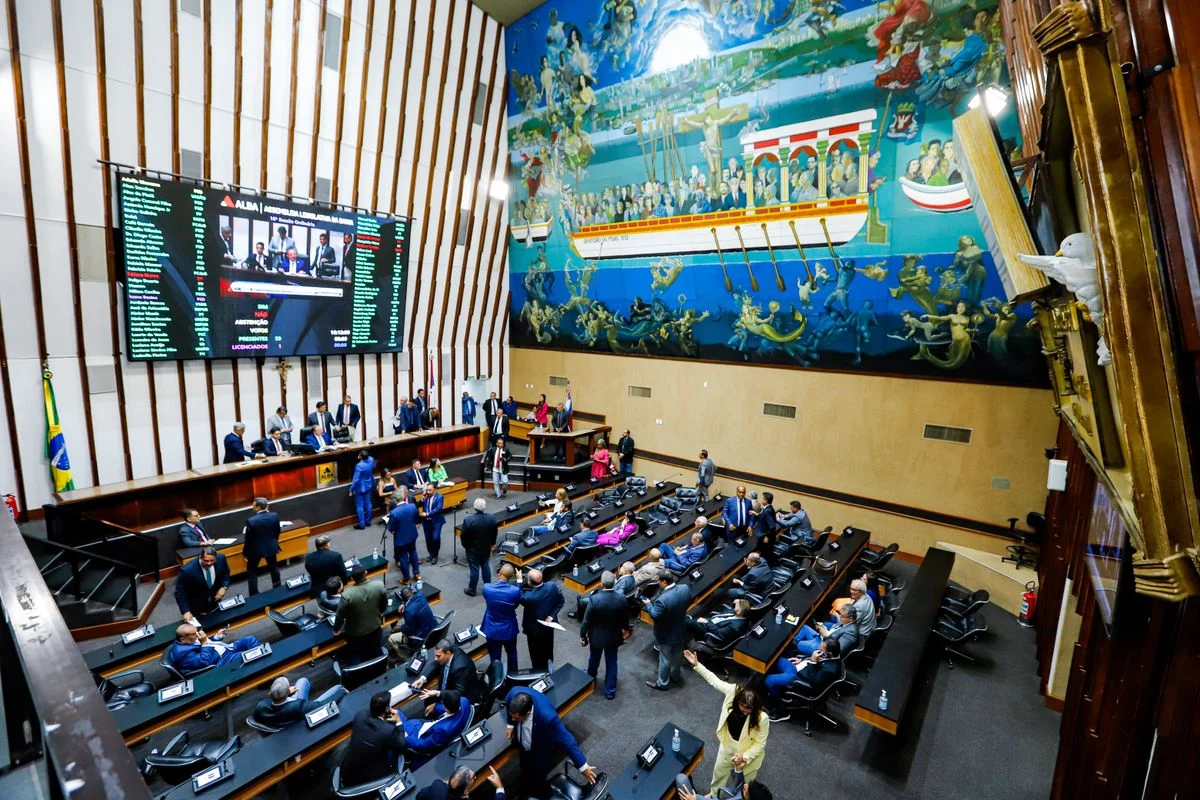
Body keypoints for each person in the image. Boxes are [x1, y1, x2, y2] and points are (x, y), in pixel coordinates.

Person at [682, 649, 770, 787]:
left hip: (747, 751)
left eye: (750, 710)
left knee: (746, 784)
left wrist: (745, 757)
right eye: (744, 708)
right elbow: (714, 681)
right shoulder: (733, 691)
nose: (746, 713)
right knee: (718, 775)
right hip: (728, 744)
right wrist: (697, 664)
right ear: (738, 701)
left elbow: (760, 743)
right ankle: (714, 795)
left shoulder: (762, 718)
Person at [505, 687, 597, 794]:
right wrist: (510, 724)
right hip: (524, 743)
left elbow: (567, 740)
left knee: (538, 773)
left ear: (528, 713)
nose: (513, 719)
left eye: (516, 718)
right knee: (525, 765)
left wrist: (583, 767)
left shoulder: (548, 718)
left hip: (540, 745)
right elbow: (509, 708)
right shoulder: (513, 694)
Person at [580, 571, 633, 699]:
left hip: (596, 636)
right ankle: (610, 691)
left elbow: (586, 621)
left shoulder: (595, 599)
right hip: (614, 636)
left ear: (602, 584)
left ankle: (590, 679)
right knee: (612, 662)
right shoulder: (621, 598)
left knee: (594, 658)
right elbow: (625, 618)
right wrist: (626, 630)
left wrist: (583, 635)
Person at [763, 638, 842, 721]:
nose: (819, 650)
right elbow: (818, 658)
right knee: (778, 660)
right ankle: (782, 693)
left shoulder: (829, 670)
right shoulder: (832, 656)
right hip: (801, 670)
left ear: (829, 653)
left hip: (801, 680)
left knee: (769, 681)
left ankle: (781, 712)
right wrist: (802, 660)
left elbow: (813, 680)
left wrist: (813, 661)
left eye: (821, 649)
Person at [340, 691, 406, 784]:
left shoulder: (360, 715)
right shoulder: (388, 730)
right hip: (371, 778)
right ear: (387, 708)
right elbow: (401, 745)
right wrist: (398, 721)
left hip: (347, 770)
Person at [645, 571, 691, 691]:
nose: (658, 583)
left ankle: (662, 683)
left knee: (665, 658)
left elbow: (654, 615)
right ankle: (675, 676)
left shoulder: (663, 599)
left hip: (666, 633)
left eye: (659, 581)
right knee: (677, 655)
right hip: (680, 628)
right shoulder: (684, 588)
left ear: (664, 582)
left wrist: (648, 604)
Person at [333, 565, 389, 663]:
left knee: (356, 653)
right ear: (366, 573)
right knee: (376, 648)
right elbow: (384, 604)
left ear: (352, 578)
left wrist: (336, 629)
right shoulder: (379, 585)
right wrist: (378, 613)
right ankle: (381, 667)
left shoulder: (347, 595)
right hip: (375, 627)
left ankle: (358, 670)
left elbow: (339, 615)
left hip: (355, 633)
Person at [397, 689, 472, 757]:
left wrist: (406, 736)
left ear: (446, 707)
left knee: (397, 718)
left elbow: (422, 745)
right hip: (431, 725)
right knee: (398, 715)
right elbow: (451, 700)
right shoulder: (464, 701)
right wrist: (437, 695)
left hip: (420, 735)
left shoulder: (443, 730)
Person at [166, 623, 262, 676]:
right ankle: (262, 671)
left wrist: (216, 637)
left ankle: (260, 664)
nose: (198, 634)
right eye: (194, 634)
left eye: (197, 631)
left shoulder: (188, 641)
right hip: (221, 660)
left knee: (251, 639)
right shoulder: (183, 655)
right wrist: (204, 643)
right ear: (183, 639)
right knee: (250, 654)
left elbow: (204, 643)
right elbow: (205, 661)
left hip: (224, 649)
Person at [412, 640, 484, 710]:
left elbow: (458, 693)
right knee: (428, 700)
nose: (435, 658)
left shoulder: (461, 667)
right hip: (449, 689)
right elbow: (435, 663)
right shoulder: (449, 652)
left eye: (438, 656)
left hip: (462, 699)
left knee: (434, 709)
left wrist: (438, 698)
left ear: (448, 653)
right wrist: (422, 679)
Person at [253, 675, 348, 728]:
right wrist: (341, 692)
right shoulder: (299, 706)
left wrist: (287, 692)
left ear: (270, 693)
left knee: (303, 681)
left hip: (284, 713)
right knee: (338, 687)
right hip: (298, 717)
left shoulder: (260, 707)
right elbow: (322, 705)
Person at [520, 568, 564, 672]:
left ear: (529, 582)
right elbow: (560, 601)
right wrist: (552, 616)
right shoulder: (552, 586)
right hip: (548, 626)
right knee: (548, 650)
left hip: (534, 631)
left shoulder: (529, 598)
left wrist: (519, 581)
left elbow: (520, 596)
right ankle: (549, 669)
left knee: (535, 655)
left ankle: (537, 673)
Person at [175, 547, 231, 620]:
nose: (209, 563)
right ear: (200, 557)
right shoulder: (187, 570)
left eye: (212, 560)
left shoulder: (221, 558)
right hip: (197, 608)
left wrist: (224, 587)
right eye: (206, 560)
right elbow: (180, 591)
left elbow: (226, 573)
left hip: (215, 603)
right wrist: (186, 611)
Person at [482, 563, 521, 670]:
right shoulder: (515, 591)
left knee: (495, 657)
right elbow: (516, 604)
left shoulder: (486, 588)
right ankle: (513, 675)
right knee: (512, 653)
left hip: (492, 628)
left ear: (499, 573)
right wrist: (519, 581)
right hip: (509, 629)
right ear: (512, 576)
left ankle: (496, 676)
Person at [459, 498, 497, 596]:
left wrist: (466, 546)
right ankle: (488, 588)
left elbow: (463, 536)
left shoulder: (468, 520)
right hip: (486, 547)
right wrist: (492, 544)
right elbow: (494, 533)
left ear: (474, 507)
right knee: (485, 566)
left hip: (472, 549)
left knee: (474, 569)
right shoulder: (491, 518)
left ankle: (472, 590)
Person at [386, 584, 436, 660]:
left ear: (403, 598)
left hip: (421, 637)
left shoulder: (408, 611)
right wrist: (403, 603)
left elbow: (409, 630)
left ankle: (406, 658)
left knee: (391, 638)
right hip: (433, 629)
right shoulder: (421, 596)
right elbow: (413, 594)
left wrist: (399, 628)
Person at [243, 497, 281, 595]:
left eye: (253, 505)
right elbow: (277, 532)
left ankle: (254, 594)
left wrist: (245, 553)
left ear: (258, 507)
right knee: (273, 568)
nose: (252, 506)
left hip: (255, 550)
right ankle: (278, 588)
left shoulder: (251, 521)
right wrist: (274, 542)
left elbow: (248, 540)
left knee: (252, 572)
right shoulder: (274, 516)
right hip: (270, 546)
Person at [676, 764, 774, 800]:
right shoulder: (748, 796)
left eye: (746, 790)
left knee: (681, 779)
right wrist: (738, 769)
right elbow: (740, 788)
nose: (745, 785)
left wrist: (696, 799)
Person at [793, 606, 860, 658]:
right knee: (804, 627)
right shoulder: (845, 620)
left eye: (842, 616)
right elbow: (833, 630)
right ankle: (795, 650)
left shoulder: (851, 632)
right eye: (840, 614)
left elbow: (836, 651)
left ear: (851, 618)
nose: (840, 617)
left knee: (796, 643)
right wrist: (823, 627)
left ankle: (795, 650)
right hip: (822, 638)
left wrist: (825, 636)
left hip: (823, 648)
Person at [387, 487, 422, 584]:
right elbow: (416, 520)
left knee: (403, 558)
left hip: (401, 539)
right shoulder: (412, 506)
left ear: (395, 500)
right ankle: (417, 574)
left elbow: (391, 528)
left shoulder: (394, 513)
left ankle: (406, 579)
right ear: (403, 498)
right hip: (412, 535)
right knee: (413, 553)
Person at [418, 766, 506, 800]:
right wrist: (499, 787)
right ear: (465, 792)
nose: (475, 777)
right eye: (473, 777)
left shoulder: (437, 785)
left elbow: (419, 796)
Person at [417, 485, 445, 565]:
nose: (428, 492)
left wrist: (427, 514)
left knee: (435, 538)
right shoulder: (425, 497)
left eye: (430, 490)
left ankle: (435, 555)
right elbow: (418, 505)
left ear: (434, 490)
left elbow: (438, 508)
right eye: (427, 490)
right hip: (426, 522)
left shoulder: (440, 497)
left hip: (436, 521)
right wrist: (421, 499)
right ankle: (431, 554)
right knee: (428, 539)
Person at [350, 450, 376, 529]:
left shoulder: (359, 466)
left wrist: (351, 489)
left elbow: (356, 479)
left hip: (360, 487)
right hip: (368, 484)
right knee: (368, 504)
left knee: (359, 506)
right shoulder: (371, 460)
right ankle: (368, 521)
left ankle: (362, 525)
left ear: (361, 456)